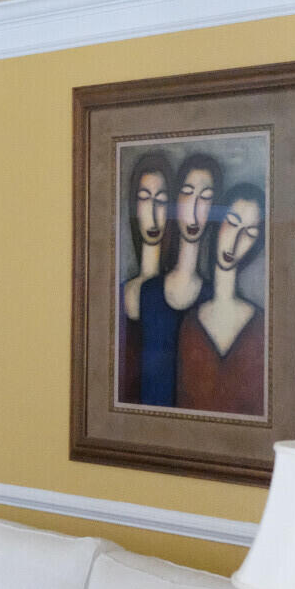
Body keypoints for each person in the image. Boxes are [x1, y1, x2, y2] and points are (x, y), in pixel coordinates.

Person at [138, 152, 223, 407]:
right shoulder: (147, 292)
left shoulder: (213, 298)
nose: (195, 208)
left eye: (206, 197)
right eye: (187, 193)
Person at [177, 183, 266, 416]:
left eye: (249, 232)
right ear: (217, 224)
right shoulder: (189, 324)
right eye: (233, 223)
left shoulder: (262, 327)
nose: (236, 239)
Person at [118, 152, 172, 403]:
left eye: (161, 201)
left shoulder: (178, 294)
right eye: (144, 199)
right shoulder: (118, 294)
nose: (152, 211)